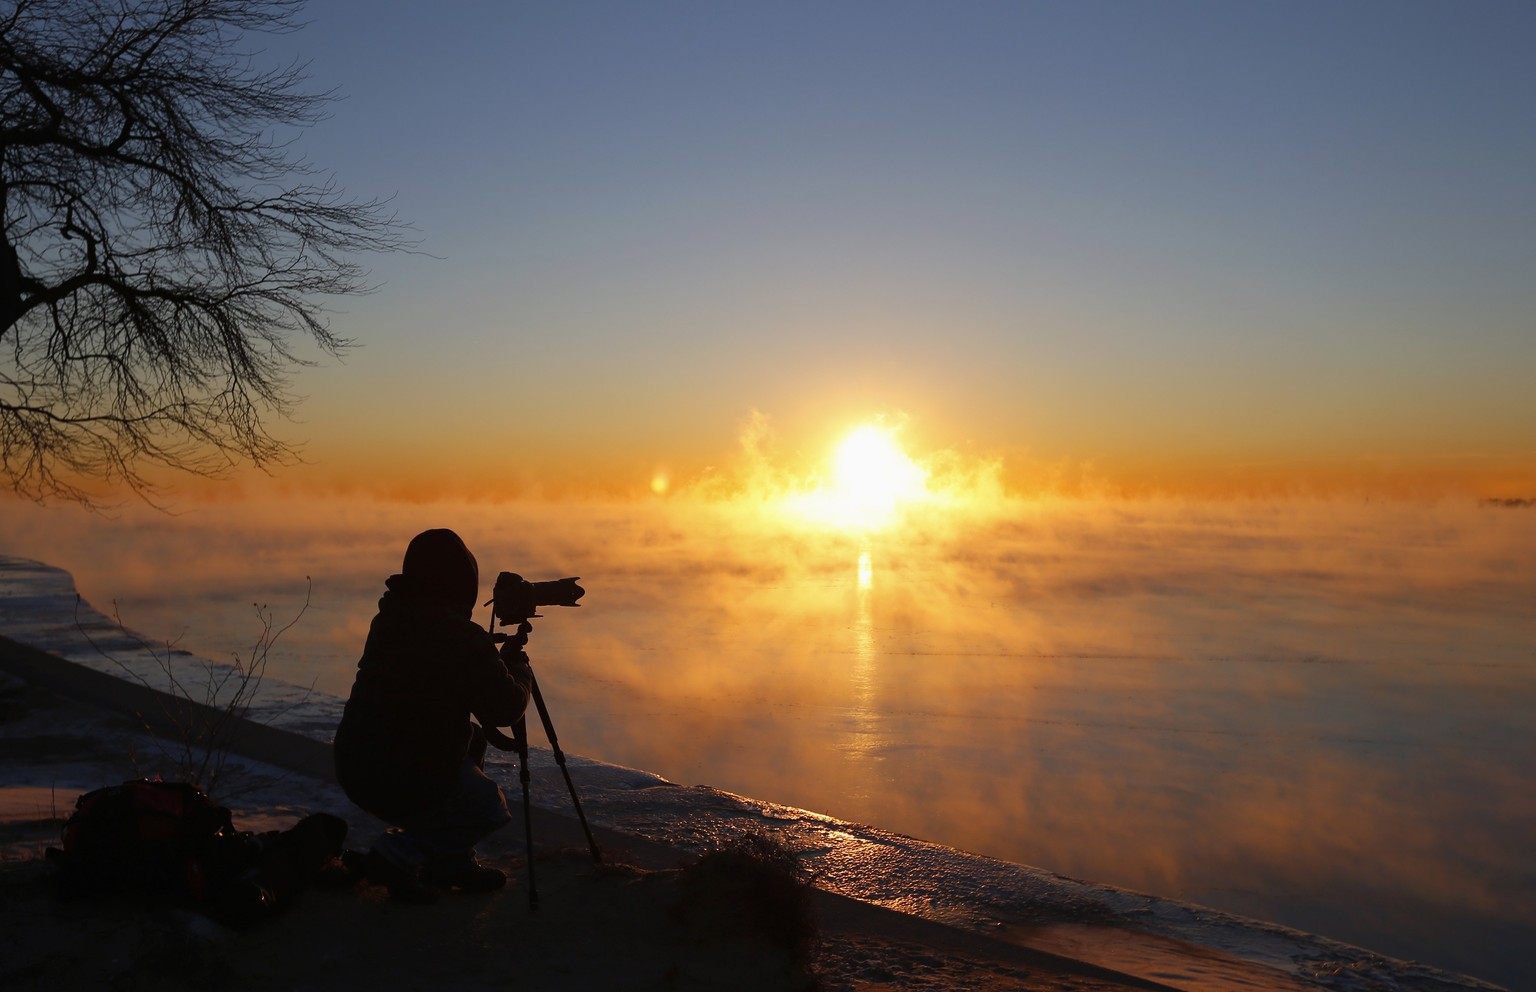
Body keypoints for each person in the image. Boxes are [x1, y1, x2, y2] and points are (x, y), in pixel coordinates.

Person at [333, 528, 531, 903]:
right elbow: (505, 708)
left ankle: (452, 862)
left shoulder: (390, 619)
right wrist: (519, 671)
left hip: (354, 764)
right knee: (488, 805)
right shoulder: (458, 636)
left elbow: (433, 669)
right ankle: (397, 855)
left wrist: (484, 658)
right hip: (398, 774)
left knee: (470, 737)